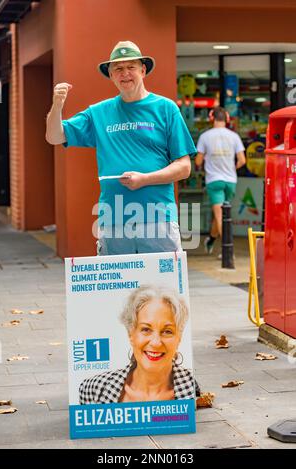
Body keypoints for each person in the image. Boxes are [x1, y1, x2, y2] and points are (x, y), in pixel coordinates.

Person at [46, 41, 196, 255]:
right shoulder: (99, 113)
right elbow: (54, 136)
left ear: (143, 70)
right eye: (118, 69)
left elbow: (184, 167)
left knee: (163, 288)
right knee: (117, 288)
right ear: (110, 74)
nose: (125, 74)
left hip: (158, 218)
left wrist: (145, 179)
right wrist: (57, 105)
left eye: (131, 67)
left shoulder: (166, 109)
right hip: (113, 220)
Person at [79, 285, 200, 404]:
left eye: (167, 331)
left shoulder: (191, 390)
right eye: (146, 329)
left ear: (179, 337)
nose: (156, 343)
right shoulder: (93, 389)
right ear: (130, 333)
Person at [195, 107, 246, 255]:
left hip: (214, 180)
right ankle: (211, 240)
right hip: (230, 180)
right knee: (222, 215)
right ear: (227, 119)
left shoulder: (205, 136)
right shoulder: (234, 136)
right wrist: (232, 168)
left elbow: (198, 161)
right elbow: (242, 160)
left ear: (212, 119)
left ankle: (226, 250)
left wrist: (207, 163)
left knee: (219, 216)